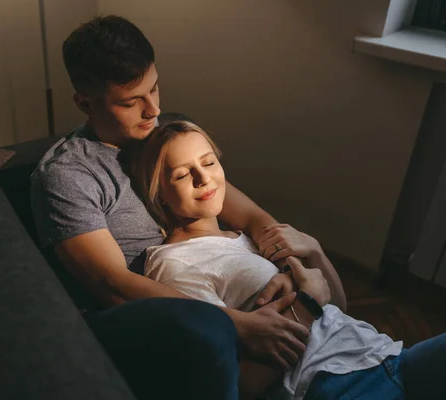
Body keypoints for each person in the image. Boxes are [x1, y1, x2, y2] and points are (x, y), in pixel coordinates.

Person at [30, 15, 319, 400]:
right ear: (85, 102)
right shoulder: (68, 175)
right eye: (131, 102)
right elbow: (111, 285)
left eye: (155, 89)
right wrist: (235, 324)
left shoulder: (165, 132)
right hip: (146, 314)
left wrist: (285, 269)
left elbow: (250, 217)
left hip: (215, 283)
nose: (152, 110)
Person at [131, 119, 446, 400]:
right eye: (184, 174)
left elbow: (336, 305)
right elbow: (239, 383)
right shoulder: (176, 264)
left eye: (209, 162)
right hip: (338, 384)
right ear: (159, 194)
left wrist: (315, 252)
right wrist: (307, 301)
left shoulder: (244, 237)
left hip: (386, 355)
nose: (204, 179)